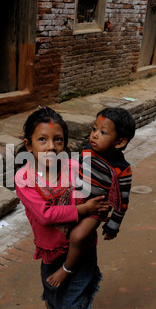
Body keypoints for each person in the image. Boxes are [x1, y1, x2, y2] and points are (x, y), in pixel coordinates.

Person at [15, 106, 109, 309]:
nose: (51, 147)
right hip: (51, 249)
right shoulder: (24, 179)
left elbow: (98, 195)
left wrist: (103, 206)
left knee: (74, 299)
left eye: (58, 140)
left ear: (65, 144)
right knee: (51, 289)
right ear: (29, 145)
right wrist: (82, 209)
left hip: (81, 249)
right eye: (42, 139)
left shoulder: (76, 168)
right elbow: (45, 215)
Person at [46, 107, 136, 289]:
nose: (94, 135)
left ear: (120, 142)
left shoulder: (122, 169)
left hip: (96, 208)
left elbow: (122, 202)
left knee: (78, 236)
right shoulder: (87, 151)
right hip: (75, 199)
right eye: (94, 129)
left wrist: (113, 225)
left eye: (102, 132)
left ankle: (67, 269)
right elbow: (76, 169)